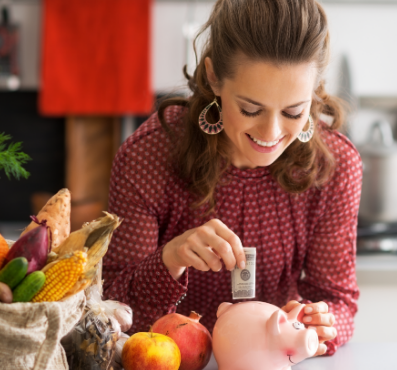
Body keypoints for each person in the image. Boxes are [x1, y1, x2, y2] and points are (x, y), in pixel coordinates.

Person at [102, 0, 362, 356]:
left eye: (293, 111)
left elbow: (339, 301)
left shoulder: (335, 167)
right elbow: (110, 306)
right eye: (250, 109)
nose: (271, 133)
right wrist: (171, 258)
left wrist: (319, 324)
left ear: (314, 92)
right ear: (213, 77)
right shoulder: (149, 156)